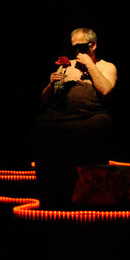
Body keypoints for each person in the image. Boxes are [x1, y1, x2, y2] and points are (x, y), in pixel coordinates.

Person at [31, 28, 118, 203]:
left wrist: (90, 65)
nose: (77, 51)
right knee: (40, 124)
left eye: (81, 47)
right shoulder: (67, 66)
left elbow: (105, 89)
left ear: (92, 45)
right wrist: (52, 85)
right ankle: (50, 186)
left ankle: (87, 185)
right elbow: (48, 98)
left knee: (98, 126)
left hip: (90, 115)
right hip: (62, 113)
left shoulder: (106, 66)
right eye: (74, 47)